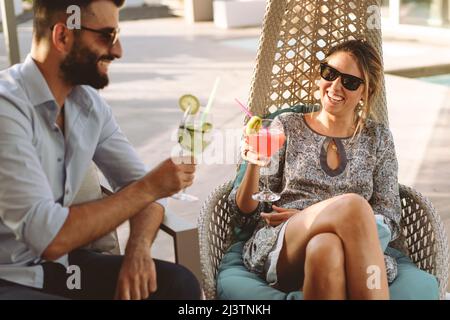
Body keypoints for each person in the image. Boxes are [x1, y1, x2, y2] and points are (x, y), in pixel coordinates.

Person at [0, 0, 200, 300]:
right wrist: (150, 187)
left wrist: (138, 248)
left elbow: (145, 189)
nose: (117, 51)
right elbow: (49, 237)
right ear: (62, 36)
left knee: (178, 285)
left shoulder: (89, 106)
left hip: (66, 270)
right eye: (106, 36)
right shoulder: (7, 109)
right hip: (10, 276)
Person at [230, 39, 438, 299]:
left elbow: (390, 217)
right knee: (353, 205)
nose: (336, 86)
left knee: (325, 246)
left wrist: (323, 221)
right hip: (286, 244)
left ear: (366, 91)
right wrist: (252, 164)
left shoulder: (378, 138)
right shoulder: (285, 126)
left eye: (350, 82)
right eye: (330, 73)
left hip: (348, 249)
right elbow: (246, 214)